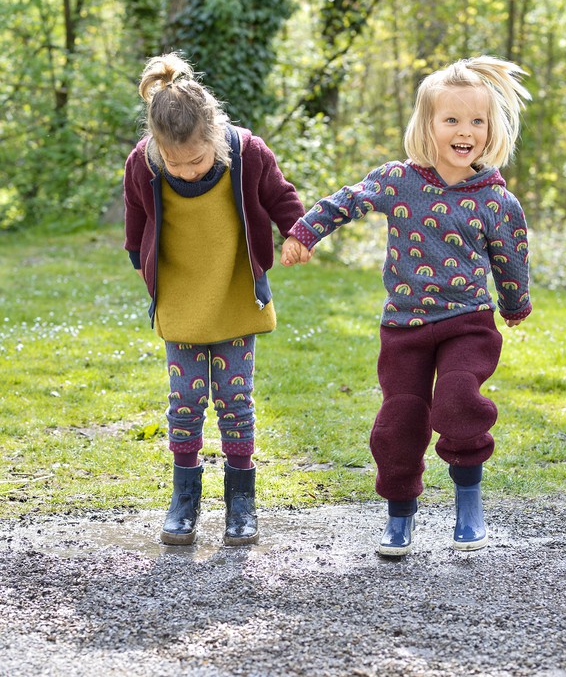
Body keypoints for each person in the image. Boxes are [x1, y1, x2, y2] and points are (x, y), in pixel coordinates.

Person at [281, 56, 532, 556]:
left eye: (477, 121)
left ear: (490, 129)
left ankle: (468, 504)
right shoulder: (400, 181)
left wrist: (514, 304)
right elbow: (347, 200)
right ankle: (399, 516)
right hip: (404, 326)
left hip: (468, 323)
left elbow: (511, 257)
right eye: (452, 120)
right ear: (428, 125)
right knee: (399, 420)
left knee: (459, 398)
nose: (466, 131)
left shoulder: (497, 202)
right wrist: (306, 231)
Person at [124, 52, 305, 547]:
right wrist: (143, 268)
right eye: (173, 162)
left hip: (233, 296)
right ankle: (184, 501)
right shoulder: (143, 162)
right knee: (184, 402)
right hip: (181, 302)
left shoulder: (247, 152)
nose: (184, 171)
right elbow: (136, 223)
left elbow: (282, 198)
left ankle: (240, 503)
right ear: (157, 148)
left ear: (215, 136)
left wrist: (298, 234)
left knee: (234, 400)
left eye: (196, 161)